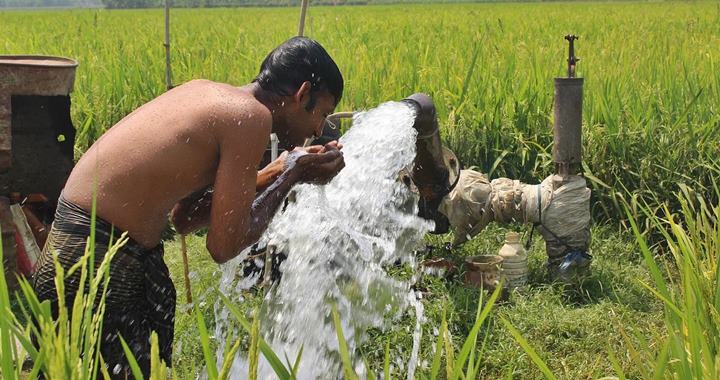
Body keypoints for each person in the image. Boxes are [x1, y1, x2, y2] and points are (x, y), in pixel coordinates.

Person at [31, 36, 345, 378]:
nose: (317, 129)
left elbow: (183, 218)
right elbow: (224, 245)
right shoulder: (250, 117)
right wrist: (291, 174)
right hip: (93, 255)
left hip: (81, 244)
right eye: (322, 113)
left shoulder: (212, 96)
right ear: (301, 95)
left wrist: (270, 175)